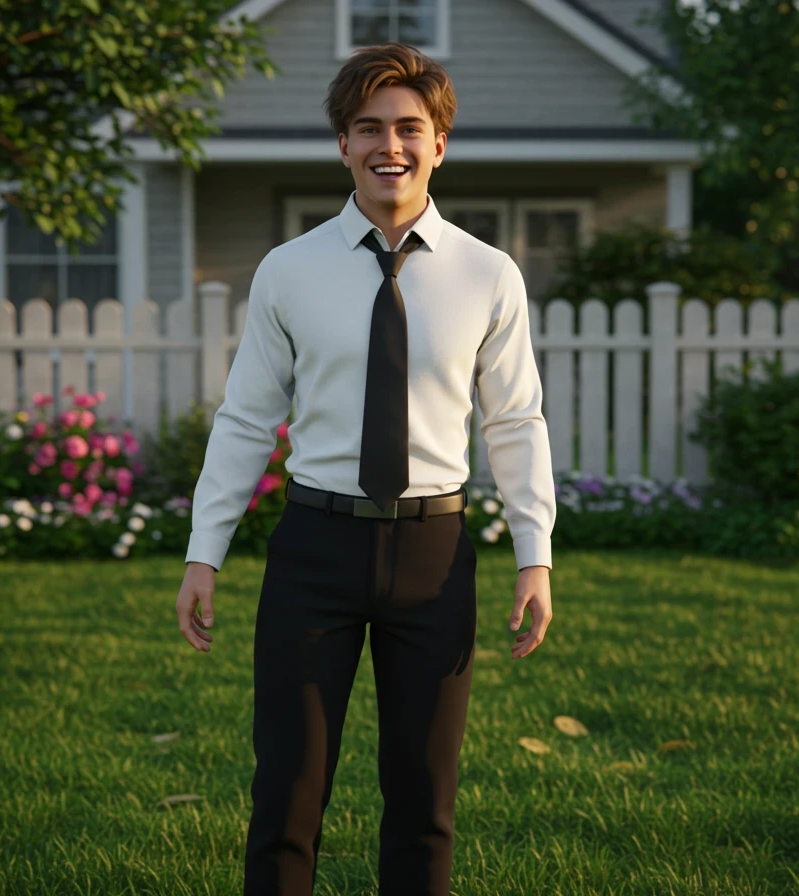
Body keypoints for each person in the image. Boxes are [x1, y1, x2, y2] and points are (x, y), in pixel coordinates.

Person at [174, 41, 556, 896]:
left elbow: (516, 420)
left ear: (439, 143)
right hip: (316, 550)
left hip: (435, 553)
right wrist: (205, 552)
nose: (391, 145)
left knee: (424, 801)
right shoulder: (289, 272)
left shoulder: (489, 276)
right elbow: (244, 419)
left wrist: (535, 555)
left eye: (409, 128)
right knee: (287, 795)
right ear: (342, 145)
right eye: (369, 127)